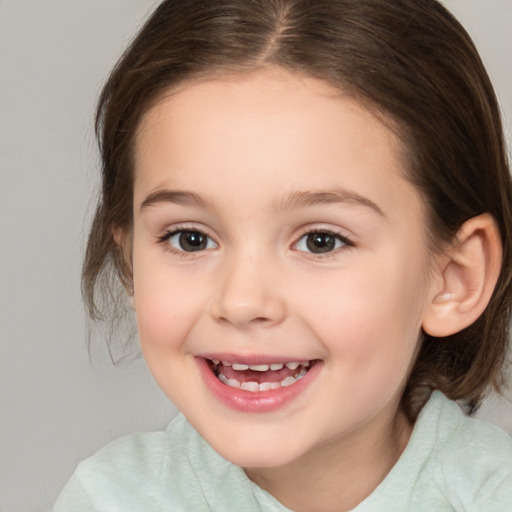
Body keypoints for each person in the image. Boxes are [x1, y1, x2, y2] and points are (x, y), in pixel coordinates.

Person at [53, 0, 512, 510]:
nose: (243, 301)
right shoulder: (112, 499)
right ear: (130, 261)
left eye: (321, 241)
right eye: (191, 238)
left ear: (453, 278)